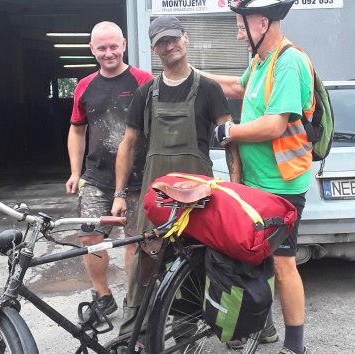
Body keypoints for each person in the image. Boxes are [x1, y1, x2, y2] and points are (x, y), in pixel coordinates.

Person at [110, 15, 241, 348]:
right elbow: (128, 144)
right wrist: (119, 193)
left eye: (172, 39)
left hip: (198, 193)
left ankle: (188, 334)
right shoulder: (146, 93)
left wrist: (235, 188)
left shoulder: (209, 89)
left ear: (185, 39)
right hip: (157, 192)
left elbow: (230, 141)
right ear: (154, 50)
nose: (168, 46)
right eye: (160, 43)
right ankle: (133, 333)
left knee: (199, 262)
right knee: (146, 258)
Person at [199, 1, 312, 353]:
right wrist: (193, 74)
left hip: (282, 184)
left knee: (281, 263)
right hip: (256, 182)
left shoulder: (289, 62)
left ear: (261, 23)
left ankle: (295, 346)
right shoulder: (261, 61)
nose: (237, 34)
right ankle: (263, 327)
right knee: (253, 256)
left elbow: (275, 124)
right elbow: (237, 88)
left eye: (239, 26)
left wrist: (229, 132)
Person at [65, 21, 153, 325]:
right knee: (91, 238)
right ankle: (103, 298)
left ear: (124, 45)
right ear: (92, 49)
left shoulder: (144, 81)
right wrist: (76, 171)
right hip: (98, 179)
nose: (108, 53)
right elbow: (77, 131)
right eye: (101, 47)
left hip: (139, 180)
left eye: (113, 46)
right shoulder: (85, 86)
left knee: (134, 241)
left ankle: (134, 301)